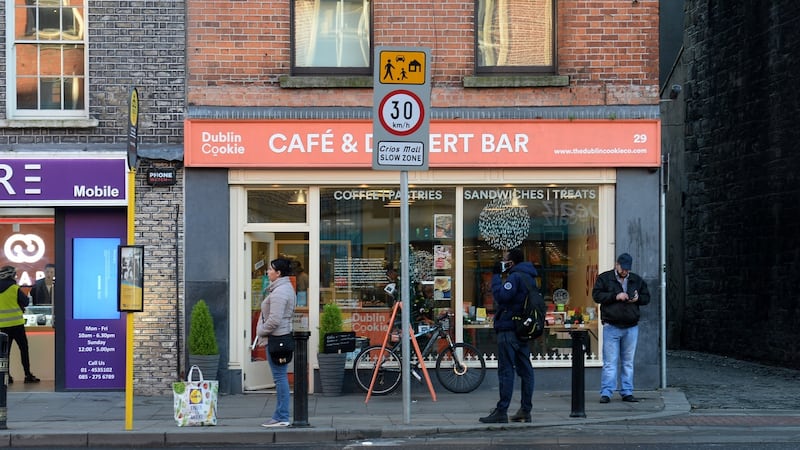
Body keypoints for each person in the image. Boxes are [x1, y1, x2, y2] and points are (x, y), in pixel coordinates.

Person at [479, 248, 536, 424]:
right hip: (523, 330)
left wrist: (496, 276)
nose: (502, 262)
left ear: (511, 262)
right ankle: (525, 410)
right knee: (526, 371)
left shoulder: (515, 277)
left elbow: (501, 297)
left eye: (505, 259)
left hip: (509, 328)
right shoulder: (530, 277)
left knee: (506, 371)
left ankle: (501, 410)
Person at [592, 252, 650, 403]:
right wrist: (615, 296)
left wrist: (638, 299)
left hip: (631, 326)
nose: (625, 272)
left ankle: (627, 391)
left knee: (627, 362)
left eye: (627, 269)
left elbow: (647, 297)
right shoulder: (605, 278)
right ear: (616, 265)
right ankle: (606, 392)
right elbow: (596, 296)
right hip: (611, 325)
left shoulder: (636, 279)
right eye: (623, 268)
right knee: (610, 362)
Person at [255, 258, 296, 427]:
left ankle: (281, 417)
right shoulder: (284, 289)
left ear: (279, 273)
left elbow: (274, 320)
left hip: (277, 339)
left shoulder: (280, 292)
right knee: (280, 377)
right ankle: (281, 415)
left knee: (280, 378)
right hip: (280, 337)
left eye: (271, 269)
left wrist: (260, 331)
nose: (268, 272)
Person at [0, 265, 40, 384]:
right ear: (11, 275)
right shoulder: (14, 288)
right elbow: (26, 302)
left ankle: (6, 376)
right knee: (23, 349)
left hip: (2, 326)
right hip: (17, 325)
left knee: (4, 352)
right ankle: (27, 375)